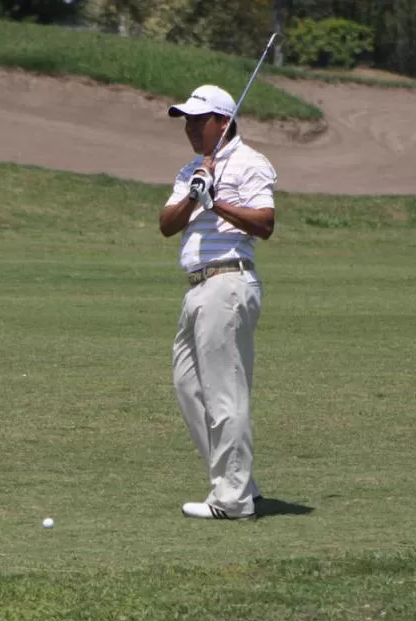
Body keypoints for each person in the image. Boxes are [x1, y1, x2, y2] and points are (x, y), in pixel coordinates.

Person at [158, 84, 277, 520]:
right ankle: (241, 482)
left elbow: (264, 223)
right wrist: (195, 192)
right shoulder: (192, 168)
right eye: (186, 120)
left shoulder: (249, 163)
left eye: (198, 119)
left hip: (228, 281)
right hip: (196, 288)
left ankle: (231, 500)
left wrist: (217, 202)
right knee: (189, 388)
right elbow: (166, 225)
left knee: (226, 394)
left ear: (222, 123)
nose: (189, 127)